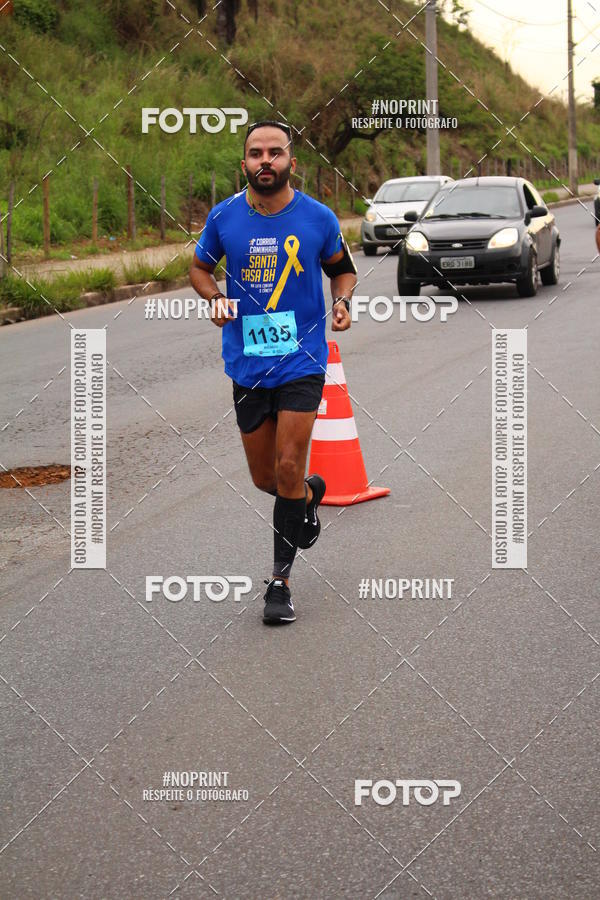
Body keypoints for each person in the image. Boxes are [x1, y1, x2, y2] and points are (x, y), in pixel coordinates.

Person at [189, 120, 357, 624]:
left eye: (275, 153)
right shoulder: (224, 218)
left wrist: (342, 301)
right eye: (256, 153)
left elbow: (341, 267)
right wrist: (215, 297)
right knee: (267, 477)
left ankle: (279, 583)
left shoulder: (318, 217)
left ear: (291, 161)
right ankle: (310, 494)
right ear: (244, 163)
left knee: (286, 465)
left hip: (302, 359)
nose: (266, 161)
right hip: (246, 363)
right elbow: (198, 268)